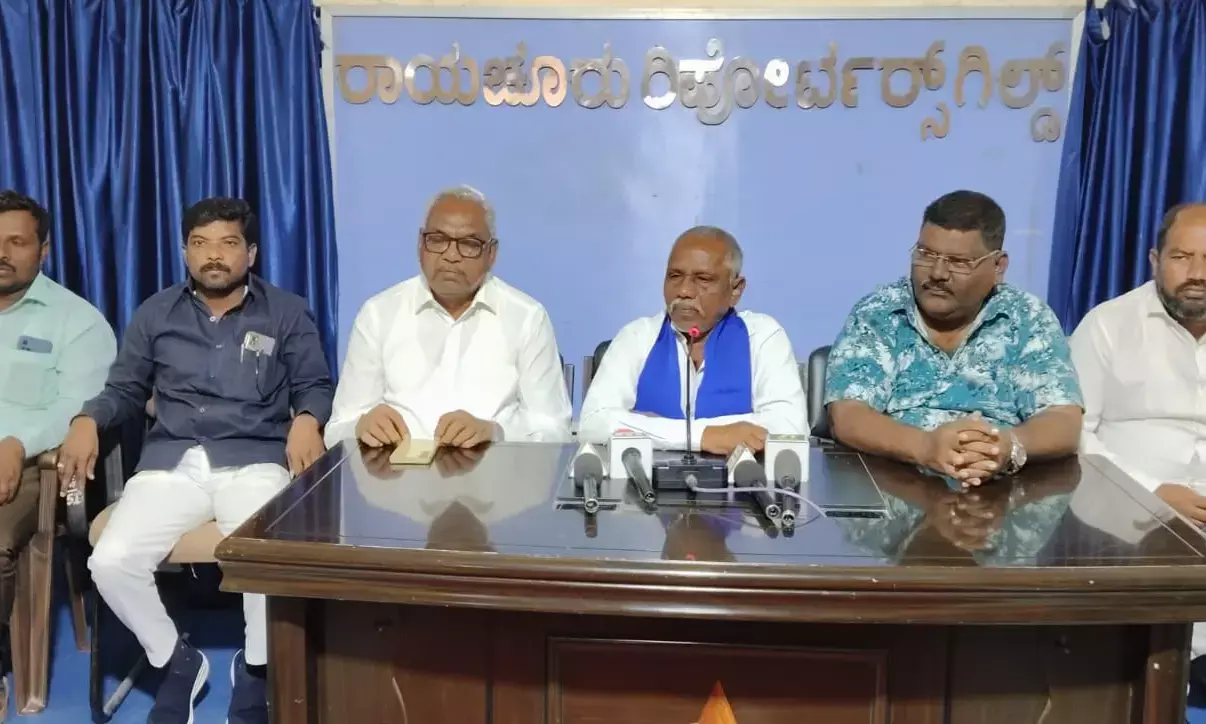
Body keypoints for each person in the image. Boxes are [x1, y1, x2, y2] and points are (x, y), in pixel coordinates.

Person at [56, 197, 333, 724]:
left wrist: (306, 418)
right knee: (110, 562)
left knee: (263, 557)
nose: (214, 256)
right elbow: (124, 388)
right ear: (185, 252)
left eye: (228, 243)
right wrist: (87, 419)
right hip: (172, 463)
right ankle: (177, 663)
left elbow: (315, 384)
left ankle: (257, 668)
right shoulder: (156, 312)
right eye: (200, 244)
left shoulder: (286, 311)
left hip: (254, 459)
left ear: (250, 253)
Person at [825, 190, 1083, 487]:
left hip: (1002, 491)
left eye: (958, 262)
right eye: (926, 254)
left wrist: (1006, 446)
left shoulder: (1028, 318)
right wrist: (924, 447)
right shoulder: (880, 313)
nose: (937, 273)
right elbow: (847, 416)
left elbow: (1063, 418)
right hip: (895, 484)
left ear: (998, 267)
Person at [324, 185, 572, 449]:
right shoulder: (378, 314)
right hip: (397, 472)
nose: (451, 255)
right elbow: (336, 430)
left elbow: (555, 430)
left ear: (492, 254)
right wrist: (360, 426)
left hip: (493, 470)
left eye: (469, 244)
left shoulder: (527, 318)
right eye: (438, 240)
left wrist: (495, 432)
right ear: (420, 244)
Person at [0, 191, 115, 718]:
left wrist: (16, 442)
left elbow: (77, 407)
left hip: (32, 466)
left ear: (43, 249)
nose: (2, 253)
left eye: (16, 242)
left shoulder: (77, 321)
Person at [578, 226, 808, 455]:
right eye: (675, 276)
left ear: (735, 290)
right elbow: (593, 422)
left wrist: (644, 426)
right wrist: (707, 436)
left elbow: (789, 428)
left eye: (703, 279)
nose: (684, 291)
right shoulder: (637, 336)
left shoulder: (762, 336)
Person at [1070, 203, 1206, 519]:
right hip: (1124, 513)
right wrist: (1149, 491)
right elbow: (1075, 433)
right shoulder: (1107, 324)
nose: (1197, 275)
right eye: (1181, 257)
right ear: (1155, 262)